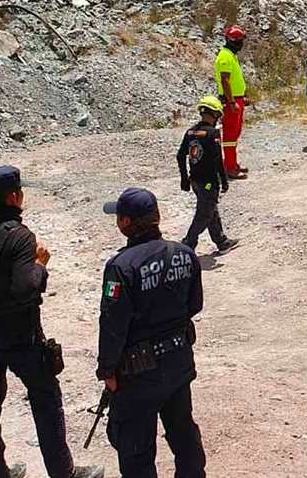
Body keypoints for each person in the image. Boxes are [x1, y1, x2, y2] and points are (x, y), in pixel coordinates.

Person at [0, 166, 103, 478]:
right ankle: (63, 472)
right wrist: (40, 263)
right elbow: (25, 288)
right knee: (45, 398)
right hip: (19, 337)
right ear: (14, 196)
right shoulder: (19, 237)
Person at [98, 188, 206, 478]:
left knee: (136, 450)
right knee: (183, 432)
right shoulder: (184, 254)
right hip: (178, 361)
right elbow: (194, 305)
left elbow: (112, 326)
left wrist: (107, 370)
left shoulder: (121, 267)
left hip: (138, 375)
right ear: (157, 217)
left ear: (124, 223)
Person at [177, 96, 240, 255]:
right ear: (216, 114)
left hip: (195, 181)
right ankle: (188, 244)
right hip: (209, 182)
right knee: (204, 214)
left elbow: (180, 156)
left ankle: (221, 241)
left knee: (210, 209)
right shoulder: (213, 133)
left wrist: (184, 178)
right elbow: (217, 160)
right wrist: (223, 181)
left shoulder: (191, 131)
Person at [215, 25, 249, 180]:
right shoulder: (225, 56)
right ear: (231, 41)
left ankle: (232, 163)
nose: (241, 44)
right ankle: (229, 167)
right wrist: (232, 102)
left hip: (237, 99)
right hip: (231, 101)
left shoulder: (231, 55)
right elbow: (225, 81)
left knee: (235, 133)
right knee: (230, 134)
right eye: (239, 41)